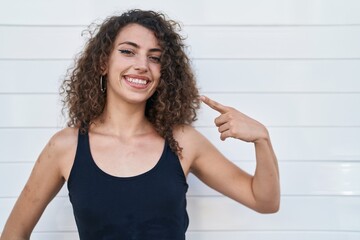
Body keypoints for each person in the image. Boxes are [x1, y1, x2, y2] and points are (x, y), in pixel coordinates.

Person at [0, 9, 280, 240]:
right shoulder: (66, 147)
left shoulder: (183, 141)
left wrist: (262, 140)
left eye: (155, 58)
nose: (142, 65)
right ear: (102, 63)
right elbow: (13, 233)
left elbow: (264, 201)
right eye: (128, 52)